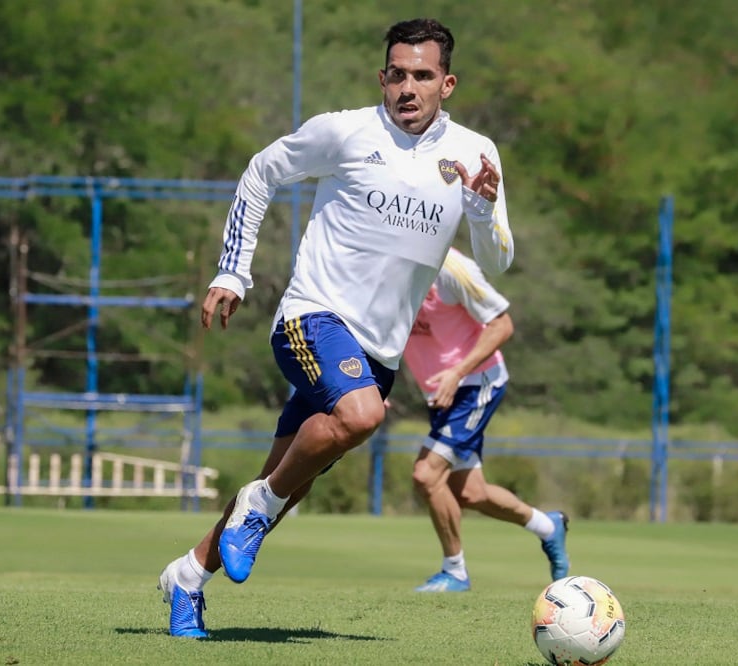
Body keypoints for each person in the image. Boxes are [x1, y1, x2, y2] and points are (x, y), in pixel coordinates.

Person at [156, 18, 514, 638]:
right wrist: (233, 273)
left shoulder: (475, 154)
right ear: (382, 77)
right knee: (361, 417)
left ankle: (187, 577)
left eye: (423, 76)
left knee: (284, 482)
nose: (408, 87)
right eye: (397, 74)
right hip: (311, 317)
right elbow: (261, 171)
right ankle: (256, 510)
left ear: (446, 83)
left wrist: (482, 208)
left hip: (379, 351)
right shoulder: (344, 131)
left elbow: (497, 258)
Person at [404, 247, 568, 592]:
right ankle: (547, 527)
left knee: (426, 473)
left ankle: (455, 572)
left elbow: (501, 324)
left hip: (476, 384)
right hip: (439, 395)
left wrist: (457, 373)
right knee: (471, 493)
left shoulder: (453, 268)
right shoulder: (385, 259)